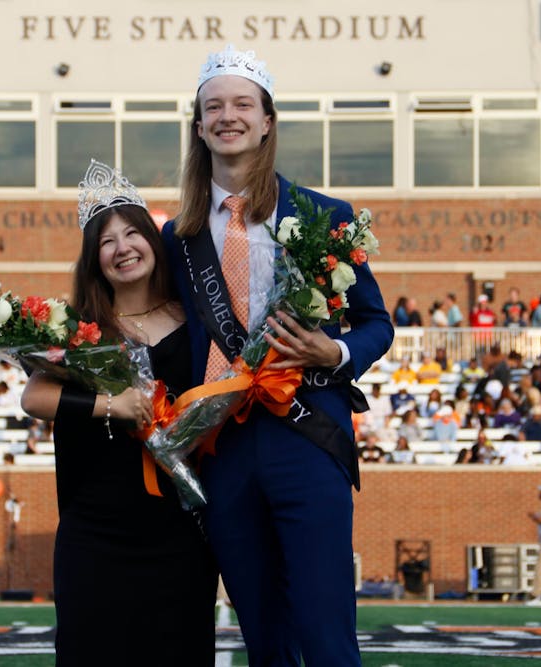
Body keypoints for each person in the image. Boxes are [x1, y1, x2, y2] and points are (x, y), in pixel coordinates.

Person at [162, 45, 393, 666]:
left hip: (306, 435)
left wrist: (334, 350)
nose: (227, 116)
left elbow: (377, 324)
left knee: (324, 629)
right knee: (264, 633)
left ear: (267, 120)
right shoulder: (176, 236)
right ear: (199, 125)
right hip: (224, 447)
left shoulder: (326, 215)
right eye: (214, 107)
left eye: (242, 104)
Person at [20, 160, 216, 665]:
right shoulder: (82, 329)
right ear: (95, 259)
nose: (123, 248)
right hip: (96, 533)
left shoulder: (195, 320)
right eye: (107, 242)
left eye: (133, 233)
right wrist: (116, 405)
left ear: (153, 240)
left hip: (180, 530)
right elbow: (34, 398)